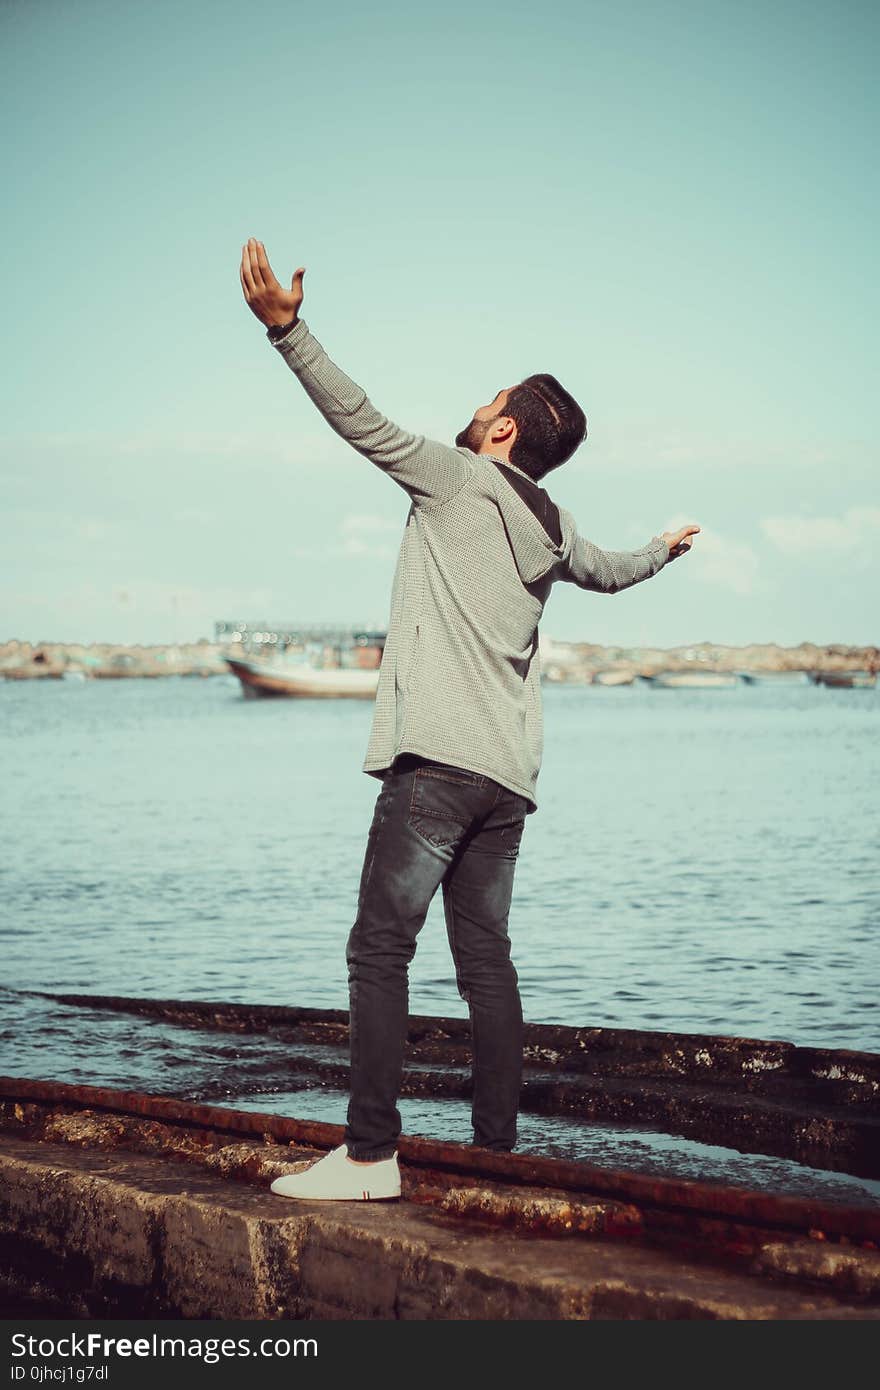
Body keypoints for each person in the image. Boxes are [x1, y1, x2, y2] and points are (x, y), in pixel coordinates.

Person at [239, 238, 700, 1201]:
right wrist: (662, 547)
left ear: (499, 434)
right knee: (484, 962)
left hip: (438, 764)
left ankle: (369, 1158)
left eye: (490, 401)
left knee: (379, 949)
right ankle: (498, 1152)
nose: (479, 407)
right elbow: (613, 571)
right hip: (508, 777)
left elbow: (358, 419)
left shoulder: (458, 479)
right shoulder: (559, 524)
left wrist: (289, 332)